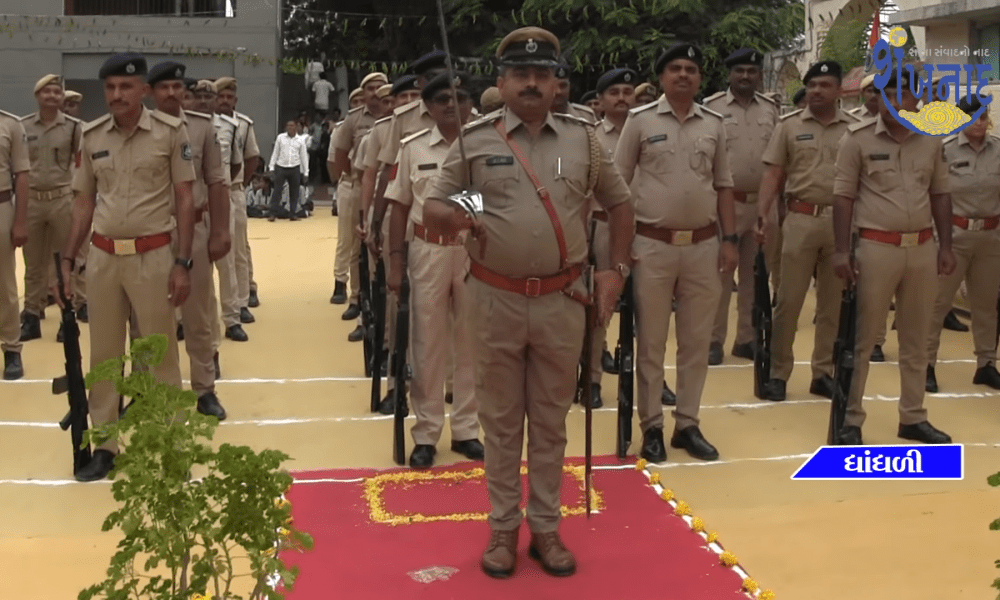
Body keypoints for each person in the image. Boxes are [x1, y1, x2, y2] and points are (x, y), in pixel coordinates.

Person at [425, 27, 634, 578]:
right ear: (504, 82)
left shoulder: (583, 139)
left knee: (549, 422)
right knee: (499, 422)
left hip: (563, 300)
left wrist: (616, 270)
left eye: (543, 74)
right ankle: (501, 530)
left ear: (557, 82)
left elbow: (620, 204)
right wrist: (465, 212)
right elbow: (434, 206)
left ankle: (546, 528)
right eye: (522, 75)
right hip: (494, 297)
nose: (534, 84)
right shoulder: (476, 139)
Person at [58, 52, 197, 481]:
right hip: (102, 259)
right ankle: (105, 446)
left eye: (125, 88)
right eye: (111, 88)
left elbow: (186, 199)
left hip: (153, 257)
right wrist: (67, 258)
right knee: (104, 355)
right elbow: (83, 203)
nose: (117, 96)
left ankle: (172, 445)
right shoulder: (92, 135)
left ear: (143, 91)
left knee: (159, 356)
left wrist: (183, 263)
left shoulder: (171, 133)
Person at [615, 42, 738, 464]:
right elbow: (618, 186)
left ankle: (688, 423)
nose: (683, 75)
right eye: (675, 69)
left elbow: (724, 185)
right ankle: (651, 426)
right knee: (650, 341)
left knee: (696, 341)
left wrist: (730, 240)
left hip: (704, 245)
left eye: (691, 68)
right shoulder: (639, 121)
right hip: (652, 245)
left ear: (700, 78)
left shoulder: (714, 125)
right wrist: (620, 246)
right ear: (663, 77)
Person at [831, 70, 955, 445]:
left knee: (916, 339)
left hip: (921, 248)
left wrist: (946, 246)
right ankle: (850, 419)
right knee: (862, 339)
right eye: (888, 93)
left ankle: (913, 416)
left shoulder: (931, 140)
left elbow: (940, 194)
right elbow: (843, 197)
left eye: (904, 93)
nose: (896, 100)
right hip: (875, 248)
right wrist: (840, 251)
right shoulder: (856, 140)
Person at [384, 71, 483, 468]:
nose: (451, 105)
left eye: (460, 98)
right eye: (442, 99)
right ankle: (426, 432)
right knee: (427, 344)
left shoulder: (486, 145)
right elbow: (399, 206)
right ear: (428, 107)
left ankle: (467, 430)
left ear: (470, 104)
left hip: (475, 251)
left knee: (472, 343)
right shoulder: (413, 148)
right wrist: (394, 261)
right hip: (428, 250)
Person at [755, 60, 858, 401]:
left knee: (832, 303)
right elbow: (773, 174)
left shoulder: (854, 129)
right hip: (800, 218)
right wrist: (763, 213)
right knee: (789, 300)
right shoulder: (788, 126)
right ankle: (778, 372)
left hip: (841, 224)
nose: (816, 91)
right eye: (811, 85)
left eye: (824, 85)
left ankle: (823, 371)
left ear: (839, 90)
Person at [147, 60, 230, 419]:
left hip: (193, 229)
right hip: (149, 232)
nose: (171, 93)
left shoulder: (201, 128)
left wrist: (220, 232)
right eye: (163, 87)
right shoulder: (138, 128)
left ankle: (204, 389)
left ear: (184, 92)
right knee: (148, 316)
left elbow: (217, 182)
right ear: (151, 92)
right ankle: (150, 390)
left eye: (177, 88)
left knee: (197, 314)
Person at [703, 48, 780, 366]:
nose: (746, 76)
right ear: (730, 75)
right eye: (740, 71)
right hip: (726, 203)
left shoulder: (771, 110)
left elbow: (779, 159)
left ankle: (746, 339)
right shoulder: (712, 108)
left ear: (760, 75)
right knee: (721, 275)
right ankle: (712, 339)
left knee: (754, 274)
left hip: (763, 204)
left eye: (751, 71)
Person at [925, 95, 1000, 392]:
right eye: (973, 117)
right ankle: (926, 364)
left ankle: (986, 364)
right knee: (937, 304)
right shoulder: (945, 151)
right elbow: (932, 194)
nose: (979, 123)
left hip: (990, 238)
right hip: (953, 237)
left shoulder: (998, 150)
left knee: (986, 306)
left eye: (983, 117)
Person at [585, 67, 638, 409]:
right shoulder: (589, 136)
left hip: (645, 229)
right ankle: (591, 378)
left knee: (647, 310)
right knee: (600, 305)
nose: (622, 97)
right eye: (614, 92)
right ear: (600, 101)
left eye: (627, 91)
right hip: (603, 226)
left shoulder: (647, 129)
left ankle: (650, 380)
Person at [18, 75, 82, 344]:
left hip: (61, 199)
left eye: (57, 92)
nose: (53, 96)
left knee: (66, 262)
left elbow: (81, 164)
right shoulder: (22, 127)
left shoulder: (74, 127)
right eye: (47, 92)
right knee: (33, 263)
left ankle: (68, 314)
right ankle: (32, 314)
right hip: (32, 200)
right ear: (37, 96)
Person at [327, 72, 387, 331]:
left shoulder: (396, 115)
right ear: (363, 94)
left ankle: (382, 298)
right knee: (355, 245)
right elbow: (340, 156)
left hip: (388, 187)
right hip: (356, 186)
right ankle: (356, 298)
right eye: (370, 89)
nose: (375, 93)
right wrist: (352, 179)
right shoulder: (353, 120)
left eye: (380, 87)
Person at [215, 77, 262, 312]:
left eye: (229, 97)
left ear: (236, 100)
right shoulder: (207, 123)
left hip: (234, 191)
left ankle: (243, 298)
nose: (224, 101)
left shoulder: (243, 124)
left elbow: (251, 157)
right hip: (211, 194)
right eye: (220, 96)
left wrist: (240, 183)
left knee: (238, 249)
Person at [0, 102, 30, 380]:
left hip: (1, 207)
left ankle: (11, 348)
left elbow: (22, 175)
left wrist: (20, 221)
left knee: (5, 284)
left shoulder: (10, 124)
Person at [267, 120, 308, 222]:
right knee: (277, 190)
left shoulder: (300, 140)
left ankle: (293, 213)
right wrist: (271, 167)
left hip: (295, 167)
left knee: (294, 192)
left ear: (296, 127)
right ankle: (272, 213)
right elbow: (275, 153)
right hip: (281, 166)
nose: (290, 128)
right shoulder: (280, 137)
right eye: (288, 126)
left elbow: (304, 156)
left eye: (292, 126)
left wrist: (306, 172)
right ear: (286, 128)